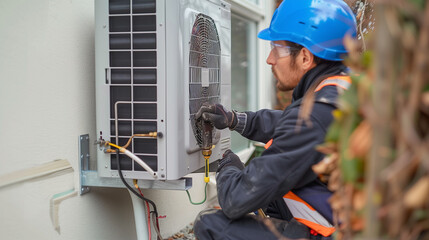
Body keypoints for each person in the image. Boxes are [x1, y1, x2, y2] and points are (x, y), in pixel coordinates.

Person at [193, 0, 357, 239]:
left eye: (276, 48)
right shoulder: (341, 89)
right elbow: (288, 123)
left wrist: (226, 163)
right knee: (274, 200)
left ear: (305, 57)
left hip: (338, 234)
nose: (269, 59)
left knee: (210, 224)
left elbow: (235, 200)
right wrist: (233, 119)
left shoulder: (313, 116)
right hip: (348, 220)